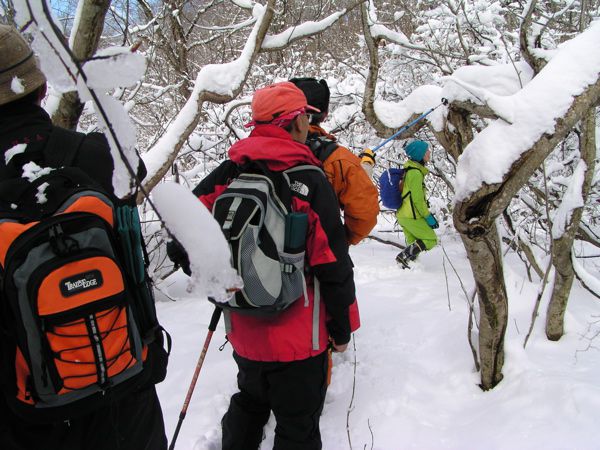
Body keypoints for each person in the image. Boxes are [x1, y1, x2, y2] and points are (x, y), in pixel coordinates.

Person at [0, 24, 167, 450]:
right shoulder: (95, 155)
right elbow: (135, 174)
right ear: (39, 91)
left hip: (27, 416)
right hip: (125, 391)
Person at [172, 81, 357, 450]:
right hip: (300, 336)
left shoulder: (230, 172)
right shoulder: (309, 178)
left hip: (244, 328)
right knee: (298, 423)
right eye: (304, 116)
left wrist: (219, 277)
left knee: (250, 403)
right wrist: (342, 328)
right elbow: (333, 263)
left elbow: (180, 234)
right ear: (296, 122)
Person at [289, 77, 379, 245]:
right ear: (324, 115)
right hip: (318, 257)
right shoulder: (338, 159)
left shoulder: (257, 149)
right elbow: (365, 213)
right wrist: (341, 239)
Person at [394, 140, 439, 268]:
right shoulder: (415, 173)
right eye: (427, 151)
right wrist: (427, 216)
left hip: (403, 215)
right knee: (431, 239)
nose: (429, 152)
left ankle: (407, 268)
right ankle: (402, 258)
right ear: (420, 155)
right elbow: (417, 200)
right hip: (411, 216)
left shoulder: (409, 170)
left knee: (413, 244)